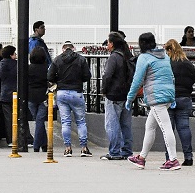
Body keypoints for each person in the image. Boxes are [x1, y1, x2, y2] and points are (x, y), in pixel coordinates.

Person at [126, 32, 180, 170]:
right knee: (150, 127)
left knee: (165, 127)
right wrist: (172, 97)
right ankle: (142, 158)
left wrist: (130, 98)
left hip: (156, 98)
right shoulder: (164, 56)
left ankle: (173, 159)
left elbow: (137, 80)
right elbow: (171, 77)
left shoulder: (144, 58)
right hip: (167, 96)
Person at [48, 40, 93, 157]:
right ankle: (83, 148)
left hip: (62, 93)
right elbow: (87, 76)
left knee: (65, 122)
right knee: (81, 122)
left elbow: (49, 76)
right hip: (76, 92)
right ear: (73, 48)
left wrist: (58, 81)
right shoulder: (81, 59)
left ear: (63, 49)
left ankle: (68, 149)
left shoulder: (57, 59)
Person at [101, 32, 134, 160]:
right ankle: (127, 151)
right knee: (126, 125)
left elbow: (107, 75)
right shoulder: (127, 56)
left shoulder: (114, 57)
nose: (107, 45)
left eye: (108, 43)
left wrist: (104, 90)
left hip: (113, 95)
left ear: (112, 44)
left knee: (112, 124)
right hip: (127, 94)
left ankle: (114, 152)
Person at [165, 39, 195, 166]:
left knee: (168, 129)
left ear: (169, 50)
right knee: (184, 128)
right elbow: (193, 79)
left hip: (170, 98)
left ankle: (170, 157)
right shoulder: (188, 64)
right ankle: (188, 157)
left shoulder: (167, 64)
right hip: (185, 98)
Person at [0, 45, 29, 149]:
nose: (16, 55)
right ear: (11, 55)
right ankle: (24, 138)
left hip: (5, 94)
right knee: (20, 117)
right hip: (17, 94)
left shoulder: (0, 65)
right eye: (14, 53)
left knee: (8, 119)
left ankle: (10, 140)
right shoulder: (18, 65)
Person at [26, 46, 49, 152]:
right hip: (44, 97)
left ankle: (42, 144)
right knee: (40, 121)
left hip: (31, 97)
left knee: (38, 120)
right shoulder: (47, 68)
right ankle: (39, 145)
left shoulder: (28, 68)